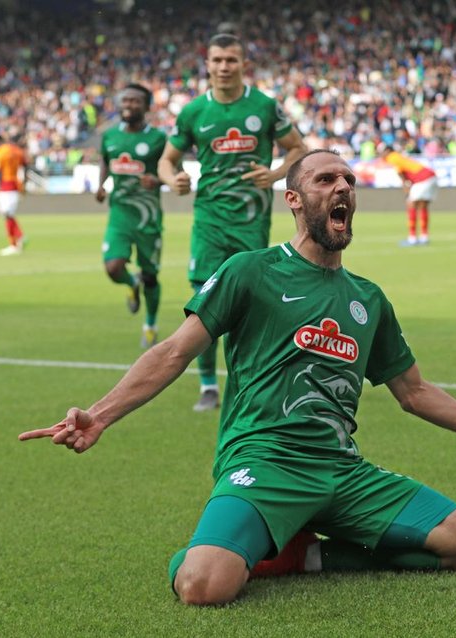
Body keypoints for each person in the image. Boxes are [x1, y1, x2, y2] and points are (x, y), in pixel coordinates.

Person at [19, 150, 456, 607]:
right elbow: (172, 352)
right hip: (265, 463)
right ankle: (232, 545)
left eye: (348, 180)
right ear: (293, 199)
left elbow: (415, 392)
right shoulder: (250, 271)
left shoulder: (368, 299)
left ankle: (304, 555)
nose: (342, 187)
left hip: (342, 470)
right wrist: (100, 415)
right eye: (325, 179)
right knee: (202, 586)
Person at [157, 32, 306, 412]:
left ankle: (246, 386)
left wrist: (275, 174)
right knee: (204, 301)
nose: (224, 67)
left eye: (231, 60)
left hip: (251, 224)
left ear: (244, 65)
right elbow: (166, 160)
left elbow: (297, 148)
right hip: (209, 221)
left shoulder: (264, 106)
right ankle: (208, 385)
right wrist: (172, 179)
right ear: (207, 64)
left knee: (247, 308)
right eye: (217, 60)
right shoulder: (193, 112)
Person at [96, 84, 167, 349]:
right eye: (125, 100)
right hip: (120, 214)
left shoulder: (158, 138)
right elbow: (105, 160)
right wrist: (101, 184)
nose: (129, 105)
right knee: (113, 267)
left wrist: (157, 180)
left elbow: (173, 171)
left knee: (150, 276)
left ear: (146, 106)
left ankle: (150, 325)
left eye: (135, 101)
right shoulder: (110, 135)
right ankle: (130, 282)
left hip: (148, 217)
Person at [381, 146, 438, 247]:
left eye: (382, 152)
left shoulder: (392, 156)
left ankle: (412, 238)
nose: (381, 154)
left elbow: (400, 172)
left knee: (411, 204)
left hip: (421, 178)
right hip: (431, 175)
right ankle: (424, 237)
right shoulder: (400, 156)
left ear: (388, 151)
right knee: (423, 206)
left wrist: (405, 186)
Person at [0, 133, 28, 256]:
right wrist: (24, 185)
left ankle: (15, 241)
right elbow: (26, 166)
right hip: (16, 185)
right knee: (8, 214)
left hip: (5, 186)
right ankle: (17, 239)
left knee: (6, 214)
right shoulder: (17, 150)